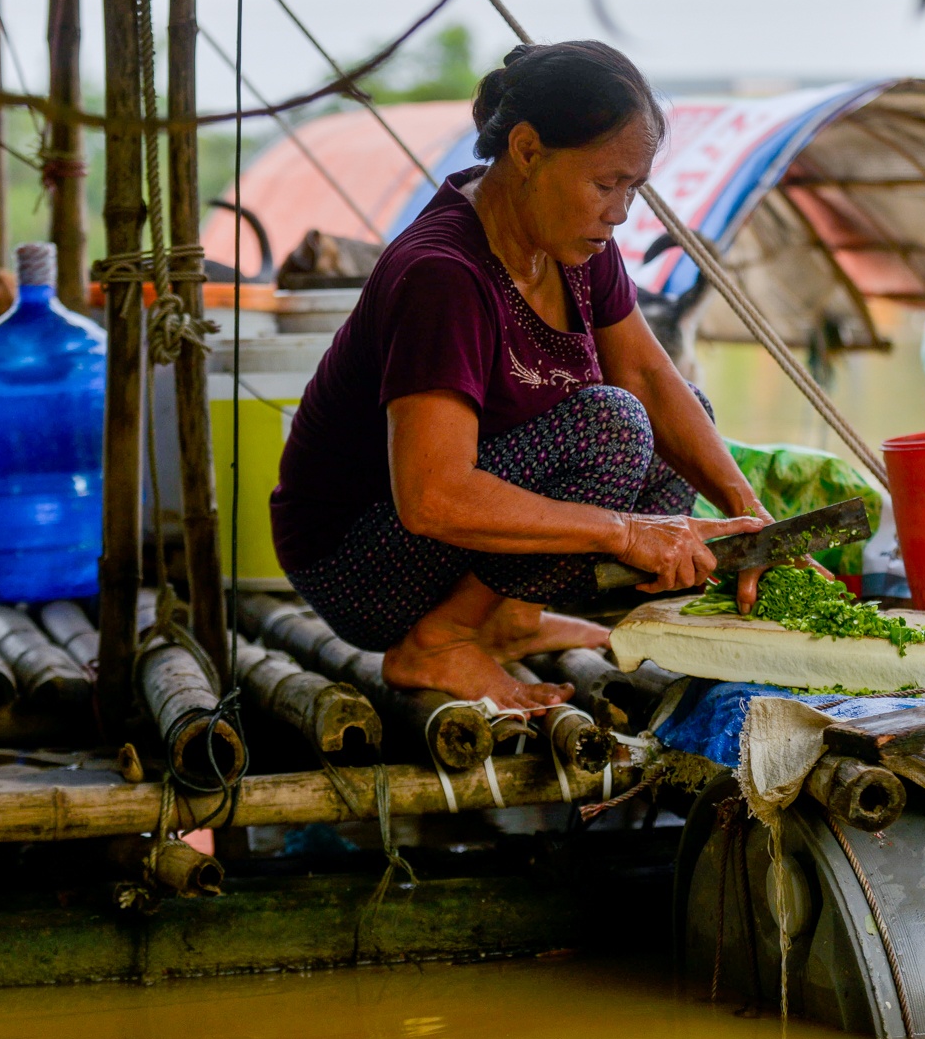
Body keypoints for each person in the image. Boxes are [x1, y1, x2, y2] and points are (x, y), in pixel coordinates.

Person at [271, 40, 772, 711]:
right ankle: (438, 640)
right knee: (613, 425)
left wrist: (751, 519)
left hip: (443, 547)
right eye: (605, 184)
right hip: (358, 563)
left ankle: (508, 618)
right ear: (529, 151)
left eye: (634, 188)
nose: (619, 212)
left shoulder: (576, 243)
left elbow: (653, 381)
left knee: (684, 416)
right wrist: (627, 533)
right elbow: (431, 496)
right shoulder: (442, 274)